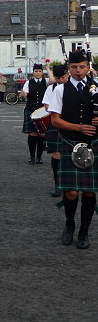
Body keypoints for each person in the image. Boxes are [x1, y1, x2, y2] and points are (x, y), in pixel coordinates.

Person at [48, 50, 98, 249]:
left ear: (88, 68)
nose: (78, 71)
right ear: (69, 68)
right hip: (70, 142)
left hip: (92, 144)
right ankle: (69, 224)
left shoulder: (97, 88)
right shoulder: (59, 90)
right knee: (71, 192)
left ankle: (84, 230)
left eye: (82, 67)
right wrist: (78, 127)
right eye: (75, 67)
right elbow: (55, 120)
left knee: (89, 193)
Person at [42, 64, 69, 197]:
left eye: (63, 77)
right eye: (57, 78)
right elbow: (47, 106)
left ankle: (71, 183)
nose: (60, 80)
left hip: (73, 122)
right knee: (57, 154)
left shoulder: (75, 87)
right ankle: (57, 184)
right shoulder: (51, 88)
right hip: (57, 122)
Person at [21, 63, 53, 164]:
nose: (38, 73)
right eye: (36, 71)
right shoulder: (28, 82)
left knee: (42, 135)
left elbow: (53, 81)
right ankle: (32, 156)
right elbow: (24, 95)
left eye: (39, 71)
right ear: (33, 72)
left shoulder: (46, 81)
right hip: (31, 109)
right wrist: (23, 95)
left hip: (43, 111)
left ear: (42, 72)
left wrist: (48, 68)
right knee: (32, 133)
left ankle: (39, 157)